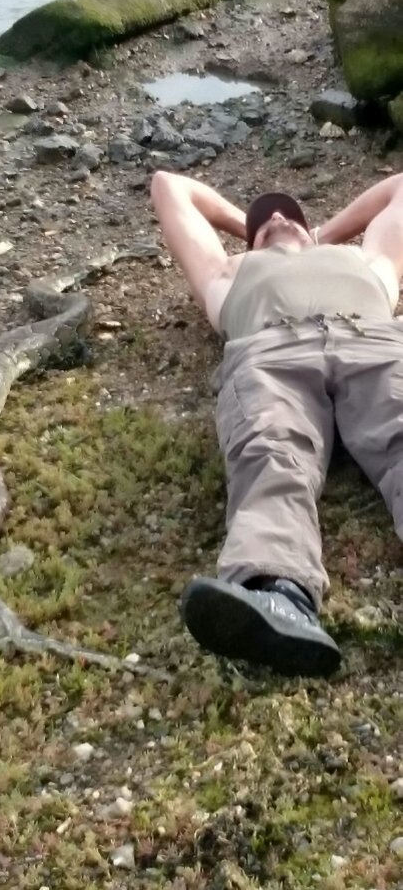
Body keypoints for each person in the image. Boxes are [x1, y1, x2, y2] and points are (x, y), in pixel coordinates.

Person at [150, 168, 403, 678]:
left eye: (289, 213)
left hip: (373, 341)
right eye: (264, 219)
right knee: (270, 452)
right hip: (271, 350)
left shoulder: (369, 259)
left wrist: (319, 236)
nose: (278, 217)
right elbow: (167, 185)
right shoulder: (226, 272)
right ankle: (278, 596)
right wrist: (253, 232)